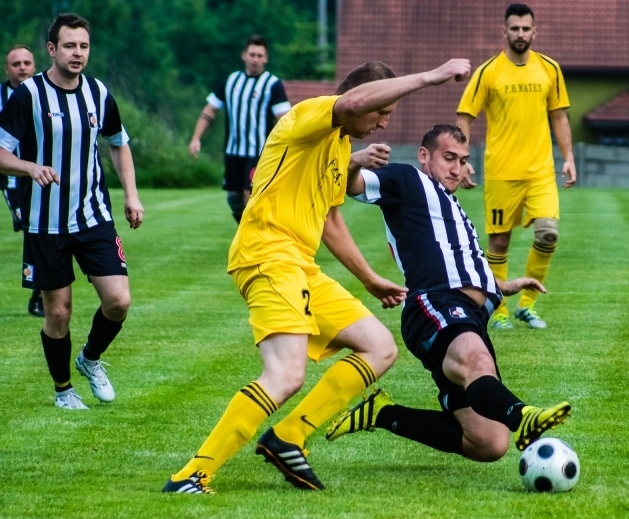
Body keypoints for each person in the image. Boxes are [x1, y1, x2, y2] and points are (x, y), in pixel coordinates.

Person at [163, 59, 472, 495]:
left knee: (380, 347)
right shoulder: (309, 114)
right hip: (267, 254)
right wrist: (430, 77)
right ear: (361, 99)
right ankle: (191, 475)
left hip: (301, 265)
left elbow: (330, 221)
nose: (384, 123)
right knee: (285, 375)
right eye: (382, 112)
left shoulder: (338, 148)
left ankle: (288, 436)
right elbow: (353, 101)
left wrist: (369, 278)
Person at [325, 124, 571, 464]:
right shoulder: (410, 181)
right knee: (477, 362)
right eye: (449, 158)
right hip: (435, 304)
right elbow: (353, 185)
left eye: (463, 160)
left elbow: (462, 266)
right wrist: (355, 160)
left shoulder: (451, 208)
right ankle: (524, 416)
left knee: (489, 442)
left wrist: (503, 286)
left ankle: (381, 414)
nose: (457, 169)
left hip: (468, 318)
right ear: (425, 156)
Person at [0, 13, 144, 410]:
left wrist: (131, 195)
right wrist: (30, 168)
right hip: (45, 223)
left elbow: (118, 142)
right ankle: (64, 390)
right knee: (58, 311)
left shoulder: (99, 93)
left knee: (119, 301)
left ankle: (90, 359)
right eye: (69, 46)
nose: (77, 53)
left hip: (93, 216)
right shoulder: (28, 94)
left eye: (83, 46)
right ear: (52, 49)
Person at [455, 3, 577, 330]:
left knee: (548, 234)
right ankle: (499, 311)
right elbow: (465, 116)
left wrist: (568, 158)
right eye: (515, 29)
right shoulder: (488, 72)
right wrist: (463, 160)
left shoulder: (549, 68)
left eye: (526, 29)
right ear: (505, 31)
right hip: (501, 172)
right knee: (499, 243)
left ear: (534, 32)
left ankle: (527, 305)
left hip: (539, 171)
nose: (520, 34)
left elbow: (559, 116)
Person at [188, 34, 291, 223]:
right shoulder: (231, 81)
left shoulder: (272, 84)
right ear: (244, 55)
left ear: (266, 58)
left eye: (260, 56)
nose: (255, 59)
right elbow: (210, 109)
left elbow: (286, 119)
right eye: (252, 54)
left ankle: (255, 243)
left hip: (258, 152)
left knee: (249, 194)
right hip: (233, 152)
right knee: (234, 198)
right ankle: (248, 235)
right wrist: (196, 138)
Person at [1, 44, 43, 317]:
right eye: (16, 64)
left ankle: (38, 292)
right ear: (7, 69)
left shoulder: (43, 95)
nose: (22, 67)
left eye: (27, 62)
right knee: (30, 228)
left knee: (34, 230)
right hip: (5, 173)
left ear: (34, 66)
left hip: (30, 176)